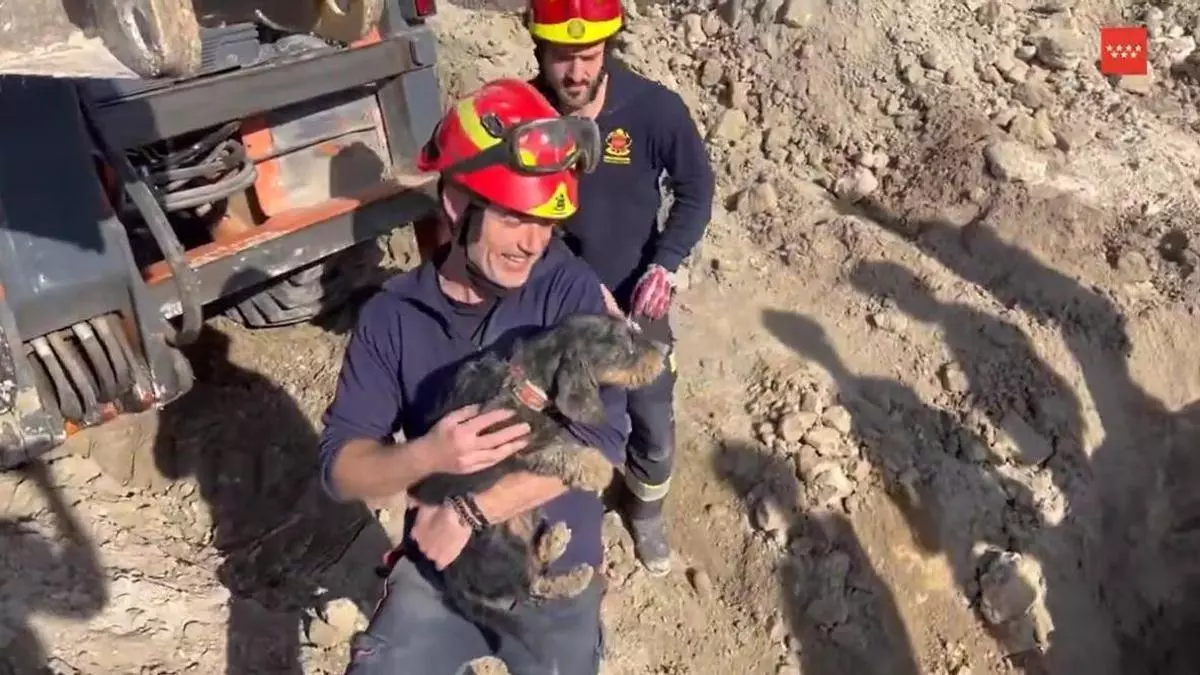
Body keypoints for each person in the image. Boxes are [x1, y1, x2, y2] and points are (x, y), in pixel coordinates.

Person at [318, 78, 628, 675]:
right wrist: (428, 455)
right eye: (514, 217)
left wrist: (469, 512)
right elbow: (340, 470)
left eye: (545, 220)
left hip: (551, 576)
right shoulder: (393, 317)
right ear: (458, 204)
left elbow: (601, 443)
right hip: (441, 576)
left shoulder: (567, 289)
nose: (532, 243)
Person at [525, 0, 716, 576]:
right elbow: (513, 218)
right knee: (552, 409)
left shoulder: (654, 110)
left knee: (652, 420)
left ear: (608, 47)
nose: (575, 73)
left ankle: (645, 510)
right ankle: (554, 507)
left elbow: (696, 190)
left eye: (588, 56)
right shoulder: (525, 116)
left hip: (636, 301)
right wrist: (581, 286)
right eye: (562, 57)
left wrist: (666, 264)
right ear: (539, 50)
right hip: (551, 297)